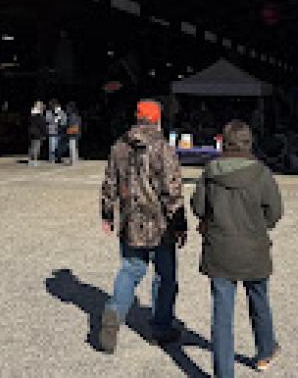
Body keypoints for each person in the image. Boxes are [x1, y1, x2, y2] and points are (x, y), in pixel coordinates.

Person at [190, 119, 283, 376]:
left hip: (220, 248)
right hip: (254, 247)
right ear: (249, 142)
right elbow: (275, 211)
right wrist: (257, 225)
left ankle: (224, 373)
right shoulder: (262, 173)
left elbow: (198, 207)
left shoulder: (211, 171)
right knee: (259, 300)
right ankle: (265, 353)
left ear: (224, 142)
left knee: (222, 314)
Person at [98, 99, 187, 353]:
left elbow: (109, 184)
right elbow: (172, 190)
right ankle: (161, 327)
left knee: (130, 269)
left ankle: (114, 312)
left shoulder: (119, 147)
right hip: (160, 226)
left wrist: (107, 214)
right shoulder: (163, 148)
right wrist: (180, 224)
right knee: (165, 276)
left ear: (137, 118)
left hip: (129, 222)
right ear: (157, 119)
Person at [28, 102, 47, 166]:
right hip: (37, 133)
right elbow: (42, 126)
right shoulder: (40, 117)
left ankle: (30, 160)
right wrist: (44, 134)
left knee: (32, 146)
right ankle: (34, 161)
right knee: (36, 147)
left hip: (31, 132)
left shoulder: (32, 116)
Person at [45, 98, 61, 163]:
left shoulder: (59, 111)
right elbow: (48, 121)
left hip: (58, 131)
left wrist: (57, 114)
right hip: (51, 131)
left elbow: (60, 120)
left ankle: (58, 158)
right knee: (52, 146)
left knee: (57, 146)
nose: (51, 105)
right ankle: (52, 159)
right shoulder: (48, 112)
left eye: (52, 104)